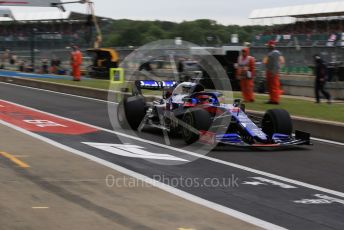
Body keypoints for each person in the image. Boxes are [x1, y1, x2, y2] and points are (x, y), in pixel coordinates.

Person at [263, 40, 285, 104]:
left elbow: (276, 64)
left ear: (271, 46)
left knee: (274, 86)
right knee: (270, 86)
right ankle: (272, 99)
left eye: (268, 45)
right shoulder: (271, 53)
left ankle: (275, 100)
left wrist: (274, 72)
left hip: (272, 72)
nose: (267, 47)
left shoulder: (275, 53)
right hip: (269, 71)